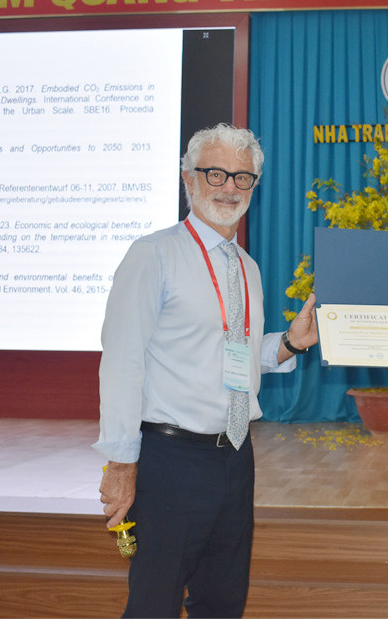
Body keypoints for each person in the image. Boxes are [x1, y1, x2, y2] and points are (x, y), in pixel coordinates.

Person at [94, 123, 317, 618]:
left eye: (243, 177)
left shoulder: (247, 267)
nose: (229, 187)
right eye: (216, 173)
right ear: (187, 179)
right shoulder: (153, 255)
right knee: (153, 606)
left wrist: (289, 343)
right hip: (171, 461)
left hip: (235, 458)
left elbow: (234, 354)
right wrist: (121, 464)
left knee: (222, 603)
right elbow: (123, 361)